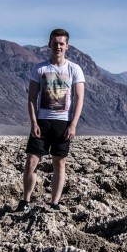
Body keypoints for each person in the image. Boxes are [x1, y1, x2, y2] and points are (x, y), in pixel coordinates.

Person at [16, 28, 85, 212]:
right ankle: (25, 201)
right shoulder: (39, 68)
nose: (58, 47)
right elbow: (31, 98)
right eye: (55, 43)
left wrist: (73, 124)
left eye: (62, 44)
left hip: (63, 123)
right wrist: (33, 123)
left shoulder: (74, 69)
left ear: (67, 46)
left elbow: (79, 99)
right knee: (31, 160)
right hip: (42, 121)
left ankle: (54, 204)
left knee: (59, 163)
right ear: (49, 45)